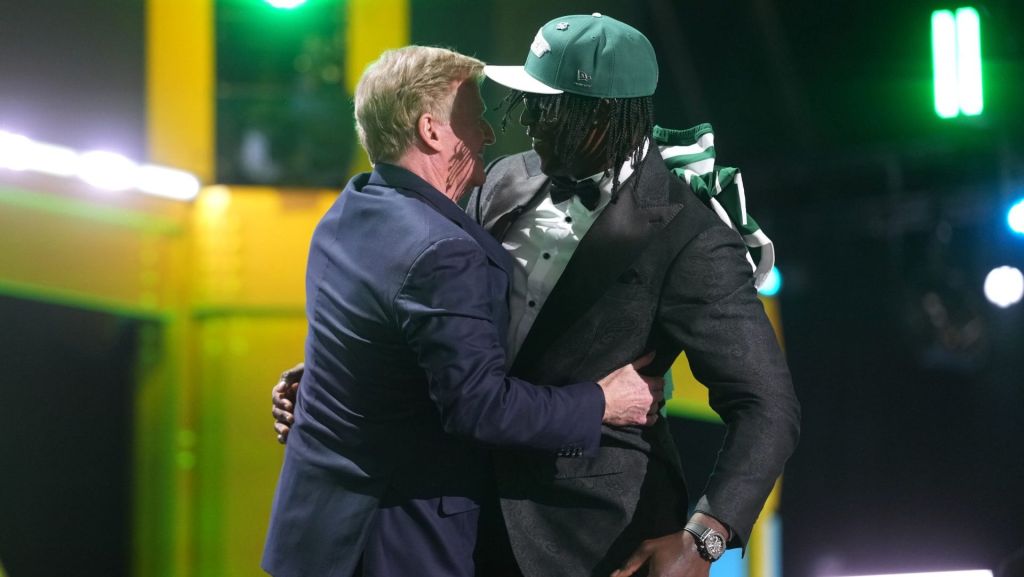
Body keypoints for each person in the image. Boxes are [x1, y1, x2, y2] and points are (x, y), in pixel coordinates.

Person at [273, 14, 800, 577]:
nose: (526, 121)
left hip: (593, 539)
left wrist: (705, 540)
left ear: (600, 115)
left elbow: (767, 406)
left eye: (544, 106)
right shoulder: (500, 179)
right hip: (463, 525)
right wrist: (345, 375)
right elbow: (439, 318)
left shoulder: (690, 236)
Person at [261, 45, 666, 577]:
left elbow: (373, 341)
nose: (491, 138)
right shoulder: (443, 251)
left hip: (311, 541)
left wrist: (320, 384)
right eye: (477, 122)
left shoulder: (348, 208)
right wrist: (601, 402)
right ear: (432, 131)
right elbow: (478, 408)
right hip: (397, 548)